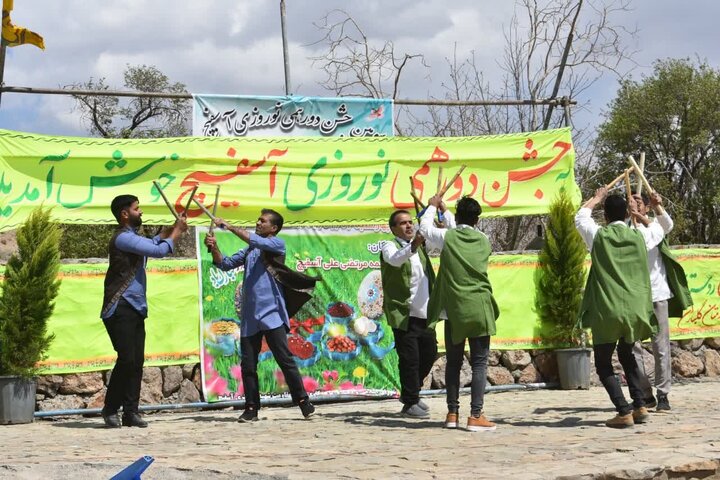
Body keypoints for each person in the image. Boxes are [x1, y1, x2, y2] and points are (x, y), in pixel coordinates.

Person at [204, 209, 315, 422]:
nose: (258, 222)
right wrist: (214, 247)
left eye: (263, 221)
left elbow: (252, 238)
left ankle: (303, 401)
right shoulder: (250, 250)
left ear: (273, 228)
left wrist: (229, 226)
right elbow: (224, 264)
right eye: (258, 219)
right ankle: (251, 408)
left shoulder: (276, 245)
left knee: (284, 359)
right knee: (248, 364)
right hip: (250, 316)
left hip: (271, 312)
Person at [575, 187, 664, 428]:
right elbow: (661, 227)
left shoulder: (599, 237)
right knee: (628, 356)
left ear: (605, 216)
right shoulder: (640, 237)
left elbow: (581, 216)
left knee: (603, 363)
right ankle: (640, 405)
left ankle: (623, 410)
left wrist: (597, 197)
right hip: (635, 309)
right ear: (627, 213)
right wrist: (653, 206)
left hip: (607, 310)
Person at [100, 194, 187, 428]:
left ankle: (131, 412)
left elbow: (153, 244)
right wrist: (177, 232)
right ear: (125, 214)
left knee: (136, 361)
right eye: (137, 209)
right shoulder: (122, 238)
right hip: (121, 306)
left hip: (136, 306)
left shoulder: (133, 239)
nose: (141, 212)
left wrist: (170, 229)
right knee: (127, 359)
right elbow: (158, 251)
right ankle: (110, 409)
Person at [421, 195, 499, 432]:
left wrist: (434, 206)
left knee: (453, 363)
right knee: (479, 364)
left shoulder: (448, 238)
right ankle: (476, 415)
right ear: (477, 219)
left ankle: (452, 413)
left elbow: (424, 228)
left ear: (458, 214)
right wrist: (447, 212)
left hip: (454, 310)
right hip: (479, 308)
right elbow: (461, 229)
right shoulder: (484, 239)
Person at [380, 206, 454, 418]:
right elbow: (395, 260)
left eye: (410, 221)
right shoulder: (388, 245)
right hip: (404, 314)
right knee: (409, 359)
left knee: (429, 355)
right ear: (393, 229)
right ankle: (411, 401)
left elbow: (447, 237)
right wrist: (415, 244)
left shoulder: (421, 247)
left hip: (425, 313)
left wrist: (441, 213)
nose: (409, 225)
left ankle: (411, 393)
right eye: (403, 223)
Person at [630, 191, 693, 412]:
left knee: (661, 347)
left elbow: (666, 224)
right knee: (631, 349)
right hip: (634, 298)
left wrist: (657, 207)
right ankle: (645, 394)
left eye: (639, 202)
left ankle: (663, 394)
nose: (635, 205)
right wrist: (635, 218)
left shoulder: (654, 225)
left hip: (657, 293)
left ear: (645, 207)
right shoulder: (625, 230)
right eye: (632, 201)